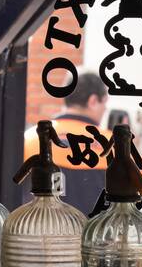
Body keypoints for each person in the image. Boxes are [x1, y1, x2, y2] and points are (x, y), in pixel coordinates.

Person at [23, 72, 110, 216]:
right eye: (104, 102)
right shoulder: (113, 144)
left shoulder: (32, 138)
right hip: (92, 235)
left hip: (42, 232)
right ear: (93, 101)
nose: (105, 109)